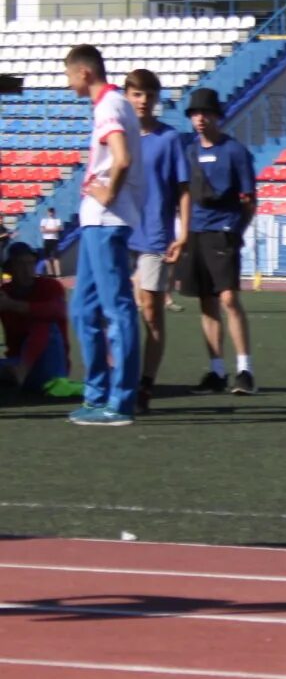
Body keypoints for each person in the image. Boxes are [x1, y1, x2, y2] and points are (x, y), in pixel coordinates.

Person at [64, 44, 148, 425]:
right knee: (82, 309)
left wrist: (109, 191)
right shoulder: (110, 105)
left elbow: (123, 156)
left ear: (84, 73)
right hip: (96, 219)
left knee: (116, 309)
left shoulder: (110, 105)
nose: (68, 85)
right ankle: (96, 393)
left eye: (68, 76)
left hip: (107, 219)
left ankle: (120, 400)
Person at [179, 87, 258, 394]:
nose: (199, 119)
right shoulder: (189, 151)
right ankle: (216, 370)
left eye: (205, 113)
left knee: (228, 299)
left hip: (222, 231)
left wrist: (236, 230)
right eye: (195, 114)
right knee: (206, 302)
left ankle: (245, 370)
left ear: (217, 116)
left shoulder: (235, 151)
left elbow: (249, 199)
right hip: (195, 232)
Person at [123, 69, 190, 413]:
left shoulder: (170, 139)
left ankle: (146, 383)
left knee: (151, 311)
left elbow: (183, 189)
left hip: (154, 236)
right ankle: (119, 379)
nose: (143, 100)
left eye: (149, 94)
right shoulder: (119, 136)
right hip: (118, 233)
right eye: (137, 94)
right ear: (127, 97)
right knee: (118, 312)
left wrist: (184, 232)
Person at [0, 241, 82, 400]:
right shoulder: (5, 293)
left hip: (50, 366)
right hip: (16, 361)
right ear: (9, 269)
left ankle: (21, 372)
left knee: (44, 322)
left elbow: (55, 311)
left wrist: (11, 305)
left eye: (30, 263)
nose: (26, 269)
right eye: (20, 264)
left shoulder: (49, 286)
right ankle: (18, 375)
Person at [39, 208, 63, 278]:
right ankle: (50, 274)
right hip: (47, 239)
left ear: (54, 213)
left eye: (52, 212)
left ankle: (58, 274)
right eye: (50, 212)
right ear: (48, 213)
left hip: (54, 240)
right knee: (47, 257)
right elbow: (42, 230)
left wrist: (48, 230)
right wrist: (53, 230)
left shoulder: (57, 220)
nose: (51, 213)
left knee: (56, 257)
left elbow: (59, 228)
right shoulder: (44, 220)